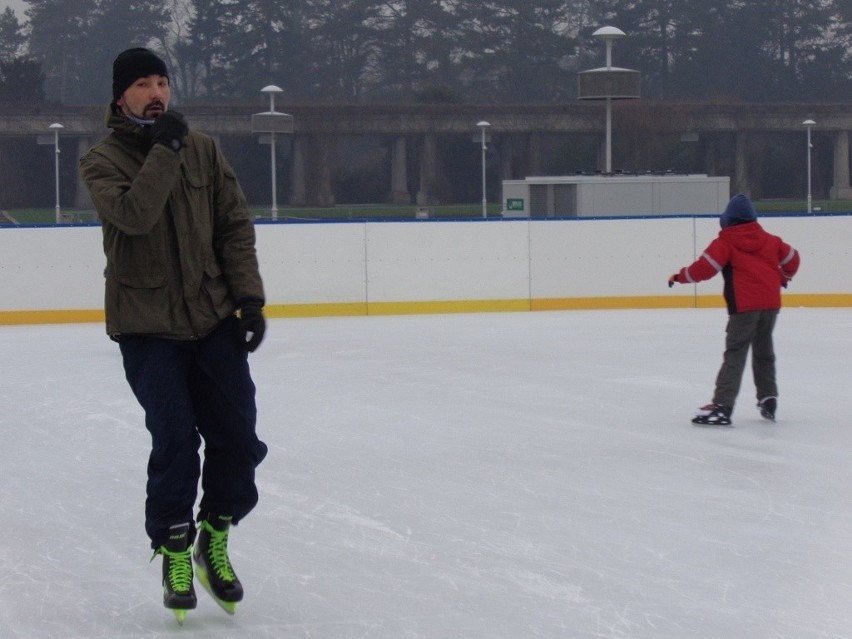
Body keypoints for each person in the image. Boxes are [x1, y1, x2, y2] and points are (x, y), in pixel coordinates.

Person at [79, 47, 268, 621]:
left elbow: (233, 224)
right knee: (176, 441)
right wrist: (164, 148)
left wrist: (249, 298)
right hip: (146, 327)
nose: (156, 91)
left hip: (211, 317)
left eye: (163, 81)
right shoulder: (101, 161)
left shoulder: (204, 150)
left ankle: (215, 532)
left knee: (238, 438)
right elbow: (134, 216)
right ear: (120, 97)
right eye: (143, 83)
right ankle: (174, 546)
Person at [668, 193, 800, 426]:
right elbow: (793, 258)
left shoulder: (726, 241)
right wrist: (783, 275)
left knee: (735, 353)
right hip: (770, 305)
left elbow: (704, 268)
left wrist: (680, 277)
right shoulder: (770, 240)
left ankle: (722, 406)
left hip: (744, 307)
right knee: (764, 351)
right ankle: (769, 398)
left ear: (728, 219)